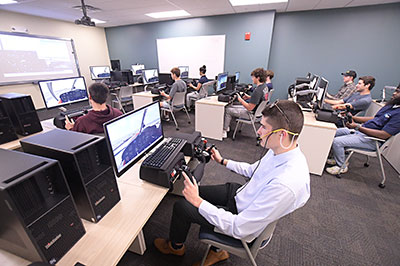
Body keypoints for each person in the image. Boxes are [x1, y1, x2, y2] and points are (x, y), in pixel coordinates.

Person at [154, 100, 310, 266]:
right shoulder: (281, 150)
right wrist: (223, 161)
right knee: (195, 190)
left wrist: (198, 202)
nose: (258, 131)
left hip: (241, 220)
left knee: (182, 206)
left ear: (282, 135)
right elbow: (253, 170)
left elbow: (239, 227)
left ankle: (176, 248)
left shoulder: (286, 184)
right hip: (243, 195)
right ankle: (217, 251)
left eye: (264, 127)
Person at [326, 83, 400, 175]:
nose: (394, 93)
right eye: (396, 90)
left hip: (372, 140)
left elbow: (384, 134)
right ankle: (339, 157)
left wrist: (357, 127)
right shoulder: (391, 106)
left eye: (398, 92)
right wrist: (354, 118)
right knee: (334, 132)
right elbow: (375, 119)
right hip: (362, 132)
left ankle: (341, 166)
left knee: (337, 142)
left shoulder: (398, 115)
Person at [223, 68, 268, 138]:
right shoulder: (264, 87)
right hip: (257, 112)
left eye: (253, 77)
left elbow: (249, 108)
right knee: (231, 106)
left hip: (250, 114)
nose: (252, 79)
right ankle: (227, 126)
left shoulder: (257, 91)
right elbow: (259, 99)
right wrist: (249, 97)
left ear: (258, 78)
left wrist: (240, 99)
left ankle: (224, 130)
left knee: (228, 110)